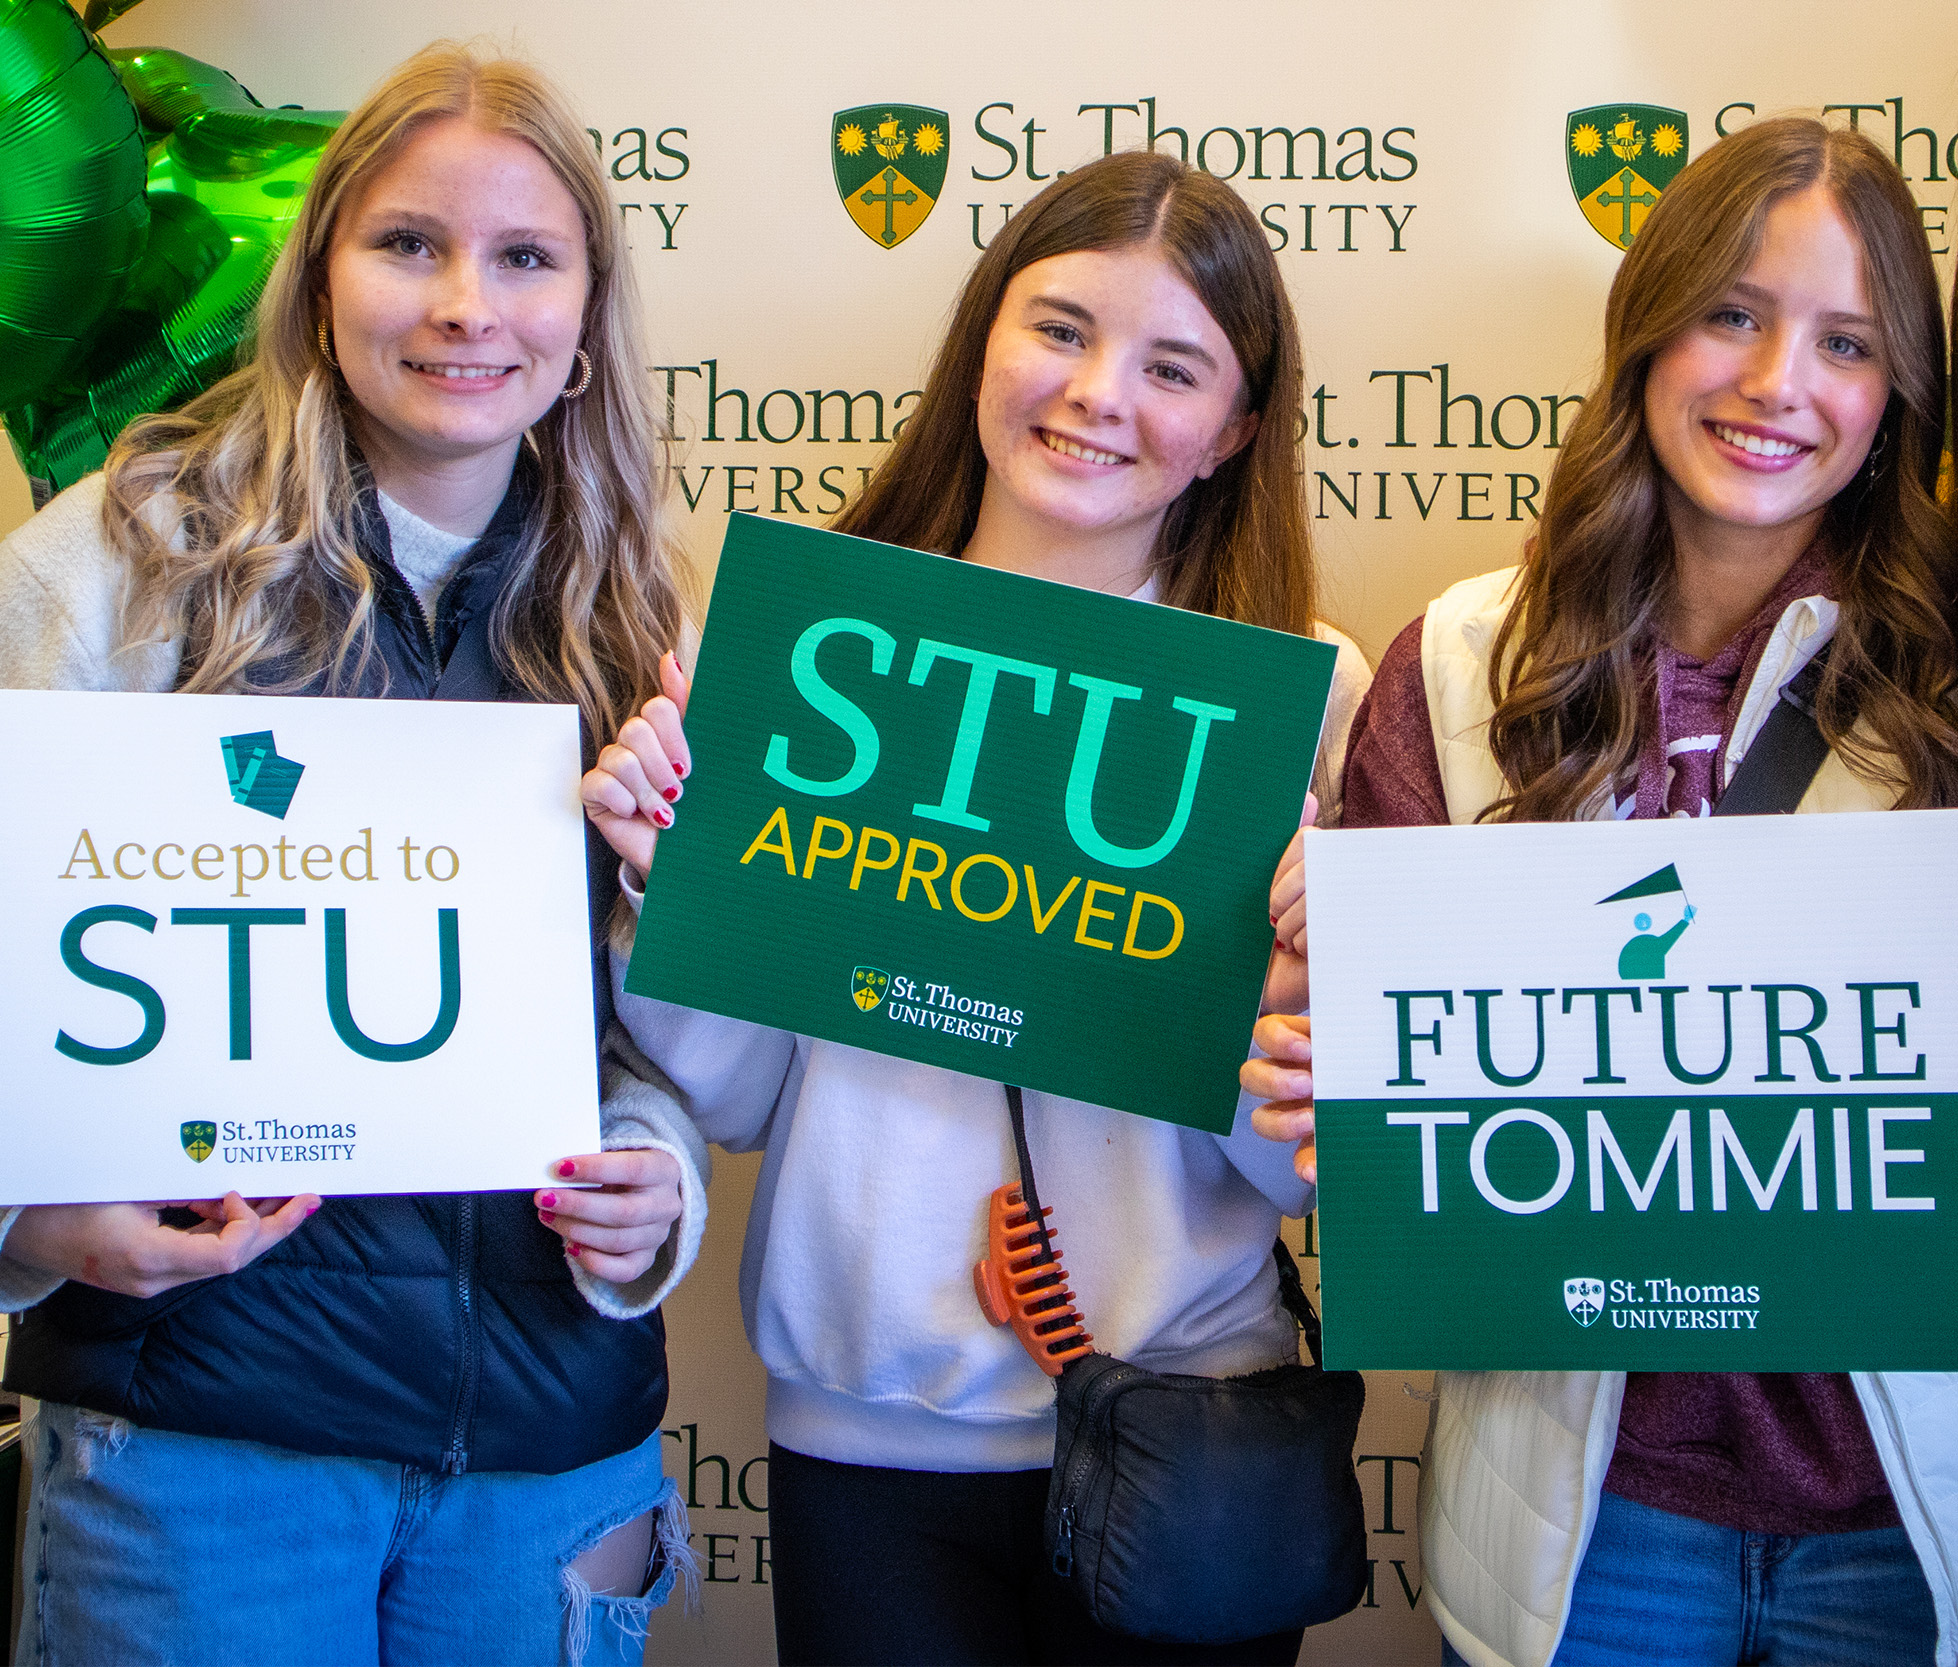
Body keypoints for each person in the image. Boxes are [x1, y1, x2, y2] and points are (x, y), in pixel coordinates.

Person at [582, 150, 1370, 1665]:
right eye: (1059, 330)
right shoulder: (815, 647)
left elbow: (1298, 1179)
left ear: (1232, 432)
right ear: (979, 349)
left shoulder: (1302, 697)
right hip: (868, 1443)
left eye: (1171, 366)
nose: (1096, 394)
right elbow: (730, 1093)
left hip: (1189, 1426)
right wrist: (666, 888)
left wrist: (1271, 997)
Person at [0, 44, 710, 1667]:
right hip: (203, 1441)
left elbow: (652, 1043)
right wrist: (34, 1224)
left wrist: (649, 1173)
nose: (468, 303)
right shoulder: (116, 557)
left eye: (526, 257)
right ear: (316, 279)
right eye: (408, 244)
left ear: (587, 317)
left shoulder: (649, 616)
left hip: (545, 1454)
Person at [1244, 116, 1958, 1666]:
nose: (1777, 384)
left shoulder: (1948, 683)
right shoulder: (1456, 663)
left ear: (1894, 392)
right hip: (1589, 1523)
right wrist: (1330, 1103)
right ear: (1646, 332)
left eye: (1843, 340)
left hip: (1906, 1527)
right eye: (1733, 314)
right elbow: (1369, 1165)